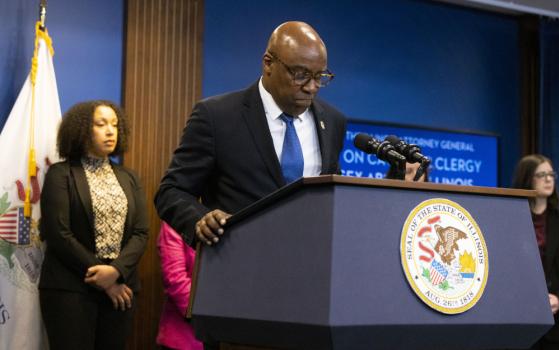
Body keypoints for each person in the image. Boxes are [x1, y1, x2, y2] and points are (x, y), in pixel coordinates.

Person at [155, 21, 347, 248]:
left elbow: (332, 196)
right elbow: (171, 191)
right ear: (268, 64)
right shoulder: (217, 116)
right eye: (300, 74)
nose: (312, 87)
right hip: (237, 264)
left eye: (320, 76)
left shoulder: (333, 121)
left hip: (311, 263)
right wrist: (199, 219)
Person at [39, 100, 149, 350]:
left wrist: (116, 271)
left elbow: (141, 233)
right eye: (101, 124)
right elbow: (58, 234)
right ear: (82, 130)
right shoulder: (61, 174)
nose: (110, 130)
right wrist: (104, 277)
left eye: (114, 124)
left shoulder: (129, 177)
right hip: (71, 288)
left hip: (122, 289)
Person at [512, 154, 559, 350]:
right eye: (541, 175)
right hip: (519, 314)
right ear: (527, 179)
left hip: (555, 318)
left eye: (551, 174)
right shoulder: (510, 219)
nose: (549, 179)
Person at [156, 221, 203, 350]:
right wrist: (206, 316)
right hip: (183, 337)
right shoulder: (174, 222)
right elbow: (175, 279)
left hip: (227, 337)